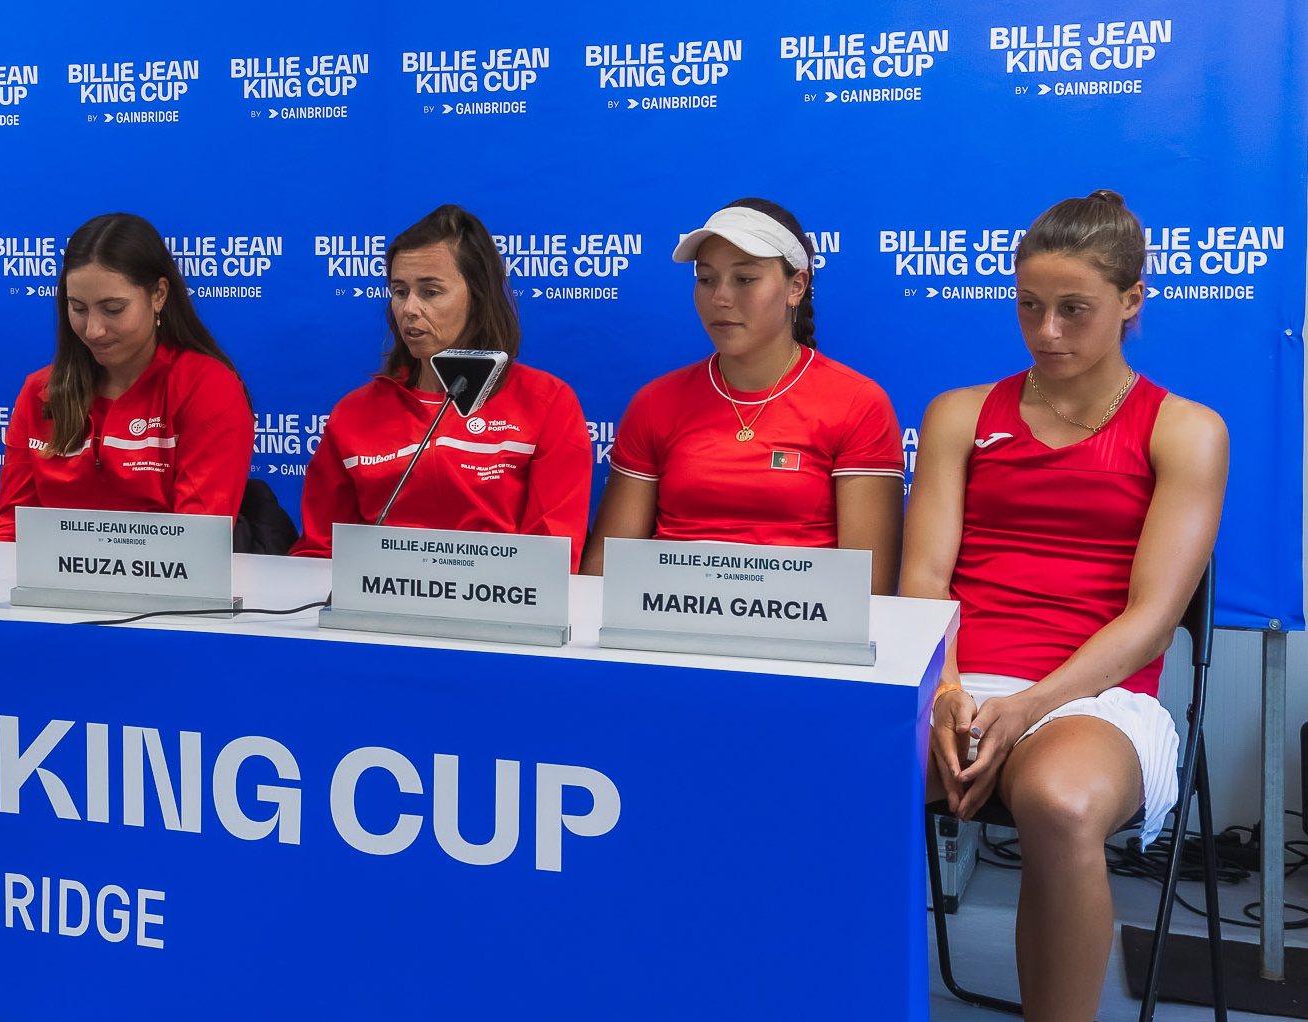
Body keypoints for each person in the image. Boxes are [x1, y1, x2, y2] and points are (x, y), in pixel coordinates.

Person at [902, 190, 1227, 1022]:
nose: (1046, 332)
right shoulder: (960, 415)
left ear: (1131, 301)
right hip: (957, 675)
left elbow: (1154, 617)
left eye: (1073, 310)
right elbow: (925, 584)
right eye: (1030, 307)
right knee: (824, 768)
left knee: (1058, 800)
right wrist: (945, 691)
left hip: (1096, 691)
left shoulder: (1185, 430)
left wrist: (1030, 705)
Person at [582, 198, 903, 590]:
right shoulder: (656, 401)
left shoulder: (856, 402)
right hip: (668, 630)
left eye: (745, 279)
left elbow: (869, 590)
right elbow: (605, 566)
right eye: (706, 279)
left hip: (802, 638)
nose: (721, 297)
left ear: (796, 287)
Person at [292, 204, 592, 565]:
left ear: (478, 297)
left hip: (500, 610)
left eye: (431, 292)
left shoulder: (546, 402)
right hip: (375, 612)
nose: (409, 309)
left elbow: (552, 558)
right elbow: (319, 552)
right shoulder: (354, 413)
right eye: (400, 291)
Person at [0, 213, 256, 541]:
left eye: (113, 309)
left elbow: (197, 541)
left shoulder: (208, 387)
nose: (93, 330)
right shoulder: (41, 391)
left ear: (158, 294)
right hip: (50, 586)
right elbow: (10, 530)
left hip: (164, 584)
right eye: (78, 308)